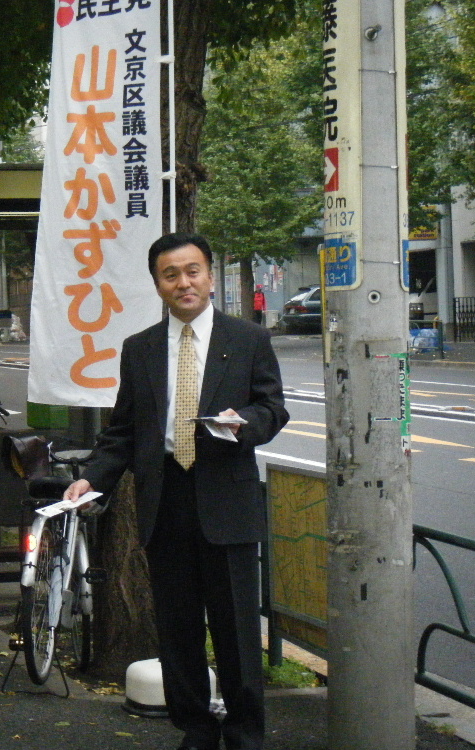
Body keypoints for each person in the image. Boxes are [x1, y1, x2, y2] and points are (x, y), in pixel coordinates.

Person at [63, 233, 289, 750]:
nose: (183, 283)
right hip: (165, 498)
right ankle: (196, 730)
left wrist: (244, 423)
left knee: (235, 629)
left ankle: (246, 735)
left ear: (210, 276)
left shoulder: (247, 339)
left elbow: (273, 409)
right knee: (178, 629)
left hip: (225, 497)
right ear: (158, 284)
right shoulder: (139, 349)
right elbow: (123, 432)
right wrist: (92, 477)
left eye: (192, 271)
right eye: (171, 274)